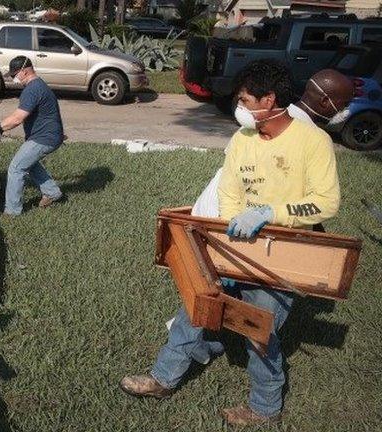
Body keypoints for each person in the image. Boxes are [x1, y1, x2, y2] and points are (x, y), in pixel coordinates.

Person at [120, 60, 341, 426]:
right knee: (196, 308)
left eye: (244, 99)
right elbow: (231, 192)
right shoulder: (243, 140)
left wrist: (270, 213)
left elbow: (326, 201)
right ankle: (163, 378)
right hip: (234, 246)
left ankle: (265, 408)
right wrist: (231, 231)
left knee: (258, 333)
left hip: (280, 256)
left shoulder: (313, 141)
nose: (239, 107)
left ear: (268, 100)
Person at [192, 68, 352, 218]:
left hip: (209, 210)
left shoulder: (273, 115)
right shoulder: (305, 133)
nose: (345, 110)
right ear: (325, 101)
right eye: (344, 104)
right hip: (225, 218)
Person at [0, 56, 65, 216]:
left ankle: (12, 211)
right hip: (49, 136)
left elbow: (17, 118)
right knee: (29, 164)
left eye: (15, 74)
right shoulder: (38, 86)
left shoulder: (32, 89)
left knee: (16, 168)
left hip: (44, 138)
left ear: (25, 71)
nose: (14, 78)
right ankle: (52, 193)